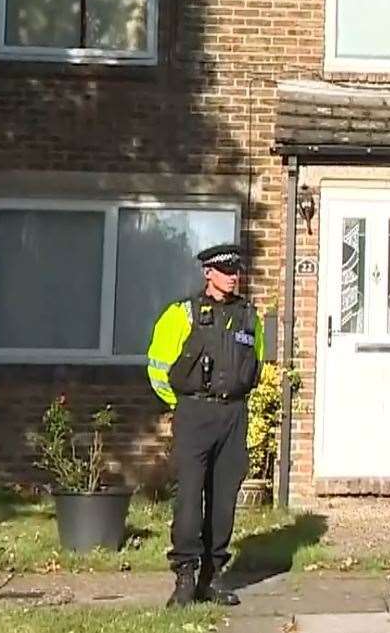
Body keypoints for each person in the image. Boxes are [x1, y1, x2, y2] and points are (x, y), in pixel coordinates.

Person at [146, 243, 265, 608]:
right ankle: (184, 577)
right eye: (225, 270)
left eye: (236, 271)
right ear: (208, 273)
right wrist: (181, 405)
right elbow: (157, 368)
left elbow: (255, 363)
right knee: (189, 499)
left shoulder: (249, 317)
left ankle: (211, 578)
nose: (233, 277)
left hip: (233, 415)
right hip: (194, 414)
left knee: (223, 499)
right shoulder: (182, 314)